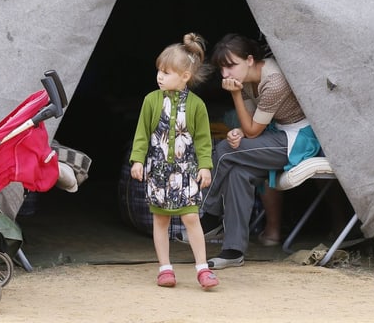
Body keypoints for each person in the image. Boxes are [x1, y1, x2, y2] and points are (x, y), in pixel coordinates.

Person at [187, 33, 321, 269]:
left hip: (299, 138)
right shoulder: (248, 79)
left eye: (231, 66)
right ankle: (233, 251)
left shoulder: (274, 82)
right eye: (222, 69)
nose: (226, 74)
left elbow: (253, 132)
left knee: (225, 150)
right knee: (238, 171)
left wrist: (236, 96)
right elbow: (249, 126)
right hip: (276, 133)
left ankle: (208, 215)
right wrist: (238, 130)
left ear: (249, 60)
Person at [129, 32, 219, 289]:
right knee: (160, 219)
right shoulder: (150, 101)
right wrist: (137, 160)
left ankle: (202, 268)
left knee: (191, 217)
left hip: (186, 171)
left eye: (166, 72)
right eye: (159, 70)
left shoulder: (197, 105)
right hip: (157, 171)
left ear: (185, 77)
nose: (160, 76)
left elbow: (204, 140)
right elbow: (142, 135)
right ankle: (165, 268)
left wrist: (205, 166)